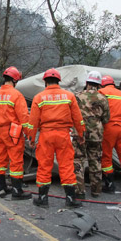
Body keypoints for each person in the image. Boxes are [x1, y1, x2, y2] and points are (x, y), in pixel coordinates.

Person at [28, 68, 85, 208]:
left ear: (45, 82)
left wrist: (31, 139)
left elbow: (33, 121)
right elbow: (78, 118)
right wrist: (81, 134)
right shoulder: (69, 96)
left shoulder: (39, 97)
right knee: (66, 166)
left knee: (44, 166)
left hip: (46, 135)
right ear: (59, 81)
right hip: (63, 135)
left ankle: (42, 198)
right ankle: (70, 199)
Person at [0, 66, 31, 200]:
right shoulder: (16, 95)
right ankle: (17, 190)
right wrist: (29, 134)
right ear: (15, 80)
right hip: (13, 131)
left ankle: (1, 187)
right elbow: (24, 117)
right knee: (16, 161)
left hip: (0, 131)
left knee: (0, 159)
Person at [73, 71, 110, 199]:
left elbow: (72, 115)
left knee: (78, 161)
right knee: (95, 161)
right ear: (99, 84)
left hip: (80, 133)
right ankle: (96, 191)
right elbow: (106, 118)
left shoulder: (78, 96)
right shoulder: (102, 98)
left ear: (87, 83)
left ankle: (79, 191)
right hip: (96, 134)